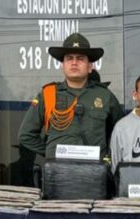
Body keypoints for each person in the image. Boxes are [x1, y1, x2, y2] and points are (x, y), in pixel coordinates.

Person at [18, 33, 123, 161]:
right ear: (62, 66)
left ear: (90, 67)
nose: (74, 63)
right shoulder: (48, 94)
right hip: (57, 171)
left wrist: (105, 156)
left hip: (94, 172)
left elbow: (120, 134)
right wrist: (52, 152)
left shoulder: (104, 95)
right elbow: (26, 135)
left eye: (80, 58)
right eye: (69, 58)